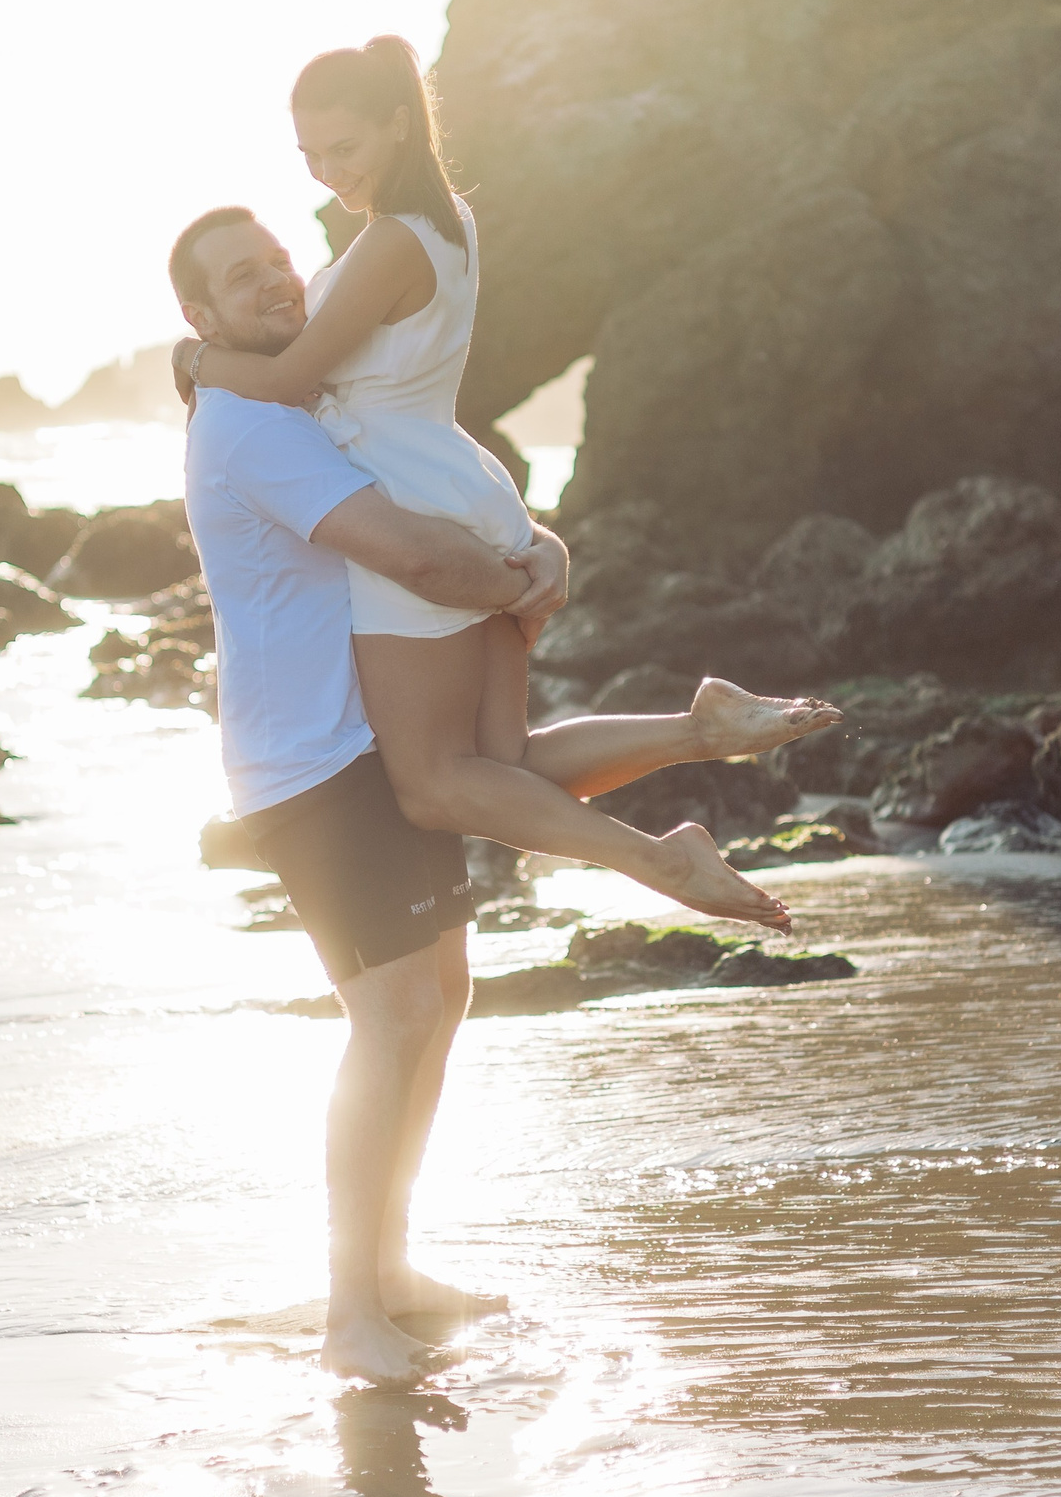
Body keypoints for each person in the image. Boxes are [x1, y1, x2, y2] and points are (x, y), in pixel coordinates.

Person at [172, 206, 839, 1385]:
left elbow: (413, 464)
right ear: (204, 317)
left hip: (363, 739)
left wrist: (534, 557)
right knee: (389, 1020)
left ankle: (389, 1272)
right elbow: (414, 554)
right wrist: (522, 577)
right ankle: (349, 1309)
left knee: (442, 992)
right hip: (307, 766)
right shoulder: (251, 426)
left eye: (276, 259)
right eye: (241, 279)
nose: (273, 282)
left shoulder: (291, 402)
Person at [175, 39, 838, 932]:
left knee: (433, 785)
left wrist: (196, 359)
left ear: (398, 124)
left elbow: (293, 380)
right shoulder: (448, 223)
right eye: (312, 158)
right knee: (503, 762)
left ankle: (659, 859)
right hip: (462, 488)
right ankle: (701, 730)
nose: (330, 172)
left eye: (345, 148)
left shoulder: (389, 243)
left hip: (414, 507)